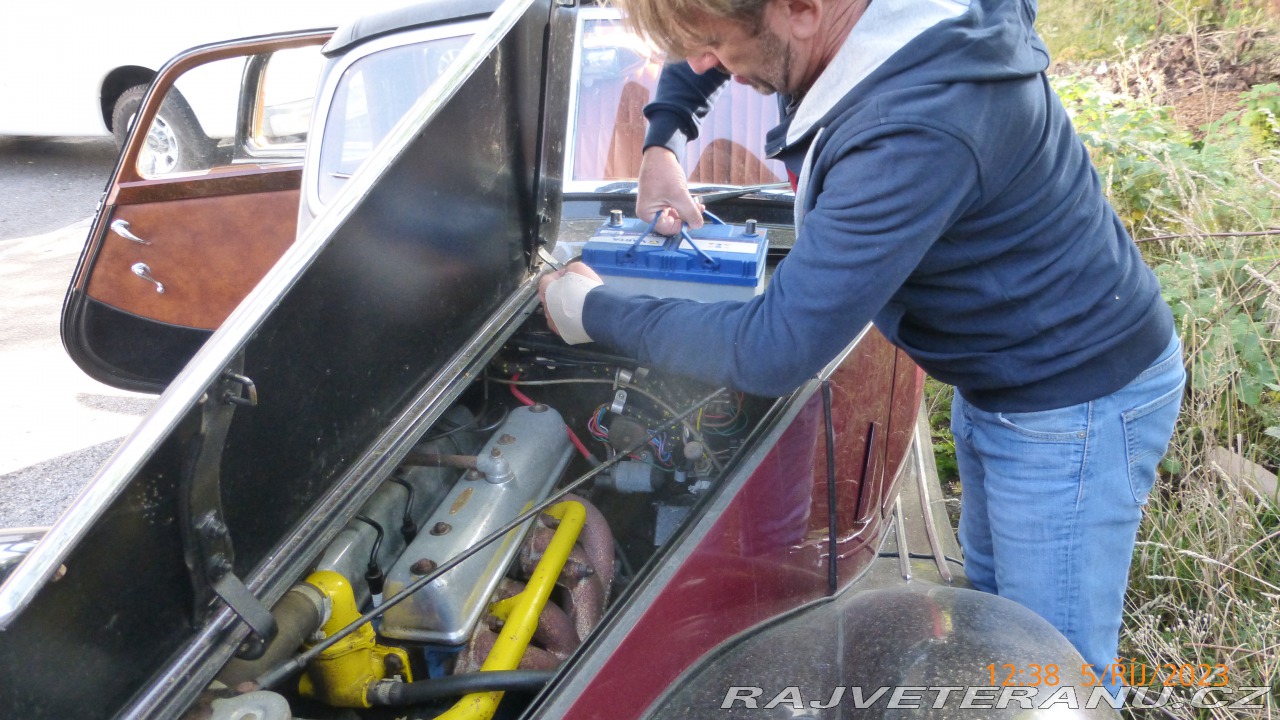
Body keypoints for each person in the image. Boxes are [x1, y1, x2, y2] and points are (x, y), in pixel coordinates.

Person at [539, 0, 1185, 692]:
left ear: (800, 10)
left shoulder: (918, 124)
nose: (704, 64)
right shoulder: (862, 26)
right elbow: (712, 28)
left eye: (718, 45)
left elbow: (775, 347)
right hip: (1008, 374)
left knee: (1054, 676)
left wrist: (591, 311)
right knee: (1001, 624)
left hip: (1074, 402)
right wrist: (663, 141)